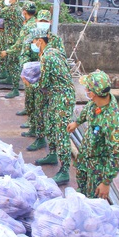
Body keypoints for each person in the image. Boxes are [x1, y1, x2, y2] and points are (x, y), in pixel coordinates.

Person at [66, 69, 119, 199]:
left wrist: (106, 182)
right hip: (85, 161)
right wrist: (77, 123)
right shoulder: (96, 103)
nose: (85, 90)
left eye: (87, 88)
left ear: (92, 93)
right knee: (82, 193)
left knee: (93, 203)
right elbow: (87, 109)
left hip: (97, 171)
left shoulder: (113, 122)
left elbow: (117, 154)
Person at [28, 32, 75, 181]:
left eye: (34, 42)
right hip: (56, 95)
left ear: (41, 41)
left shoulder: (47, 57)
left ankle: (65, 171)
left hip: (62, 97)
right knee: (51, 126)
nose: (33, 45)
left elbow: (44, 84)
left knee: (61, 133)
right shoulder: (55, 51)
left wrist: (29, 84)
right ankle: (53, 155)